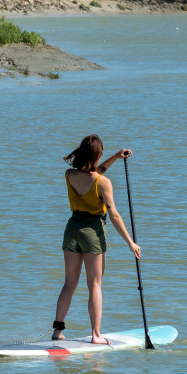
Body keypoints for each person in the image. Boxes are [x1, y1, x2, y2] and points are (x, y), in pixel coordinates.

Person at [53, 134, 142, 343]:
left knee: (69, 284)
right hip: (93, 232)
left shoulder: (69, 174)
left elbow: (93, 172)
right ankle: (96, 335)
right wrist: (131, 243)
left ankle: (57, 331)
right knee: (94, 285)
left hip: (72, 229)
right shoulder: (104, 183)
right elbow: (114, 215)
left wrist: (115, 157)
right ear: (97, 154)